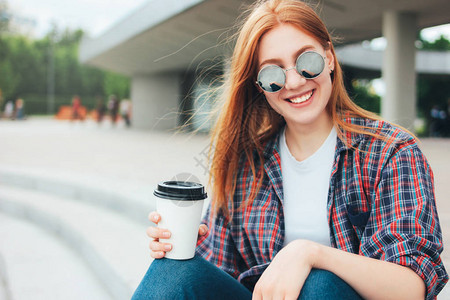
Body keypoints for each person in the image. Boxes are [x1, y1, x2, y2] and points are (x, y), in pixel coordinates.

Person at [132, 1, 448, 299]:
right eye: (273, 73)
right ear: (259, 87)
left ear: (329, 59)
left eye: (306, 60)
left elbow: (411, 288)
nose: (294, 82)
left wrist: (310, 254)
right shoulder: (246, 163)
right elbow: (219, 274)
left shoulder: (391, 152)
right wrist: (187, 250)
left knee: (320, 282)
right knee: (173, 271)